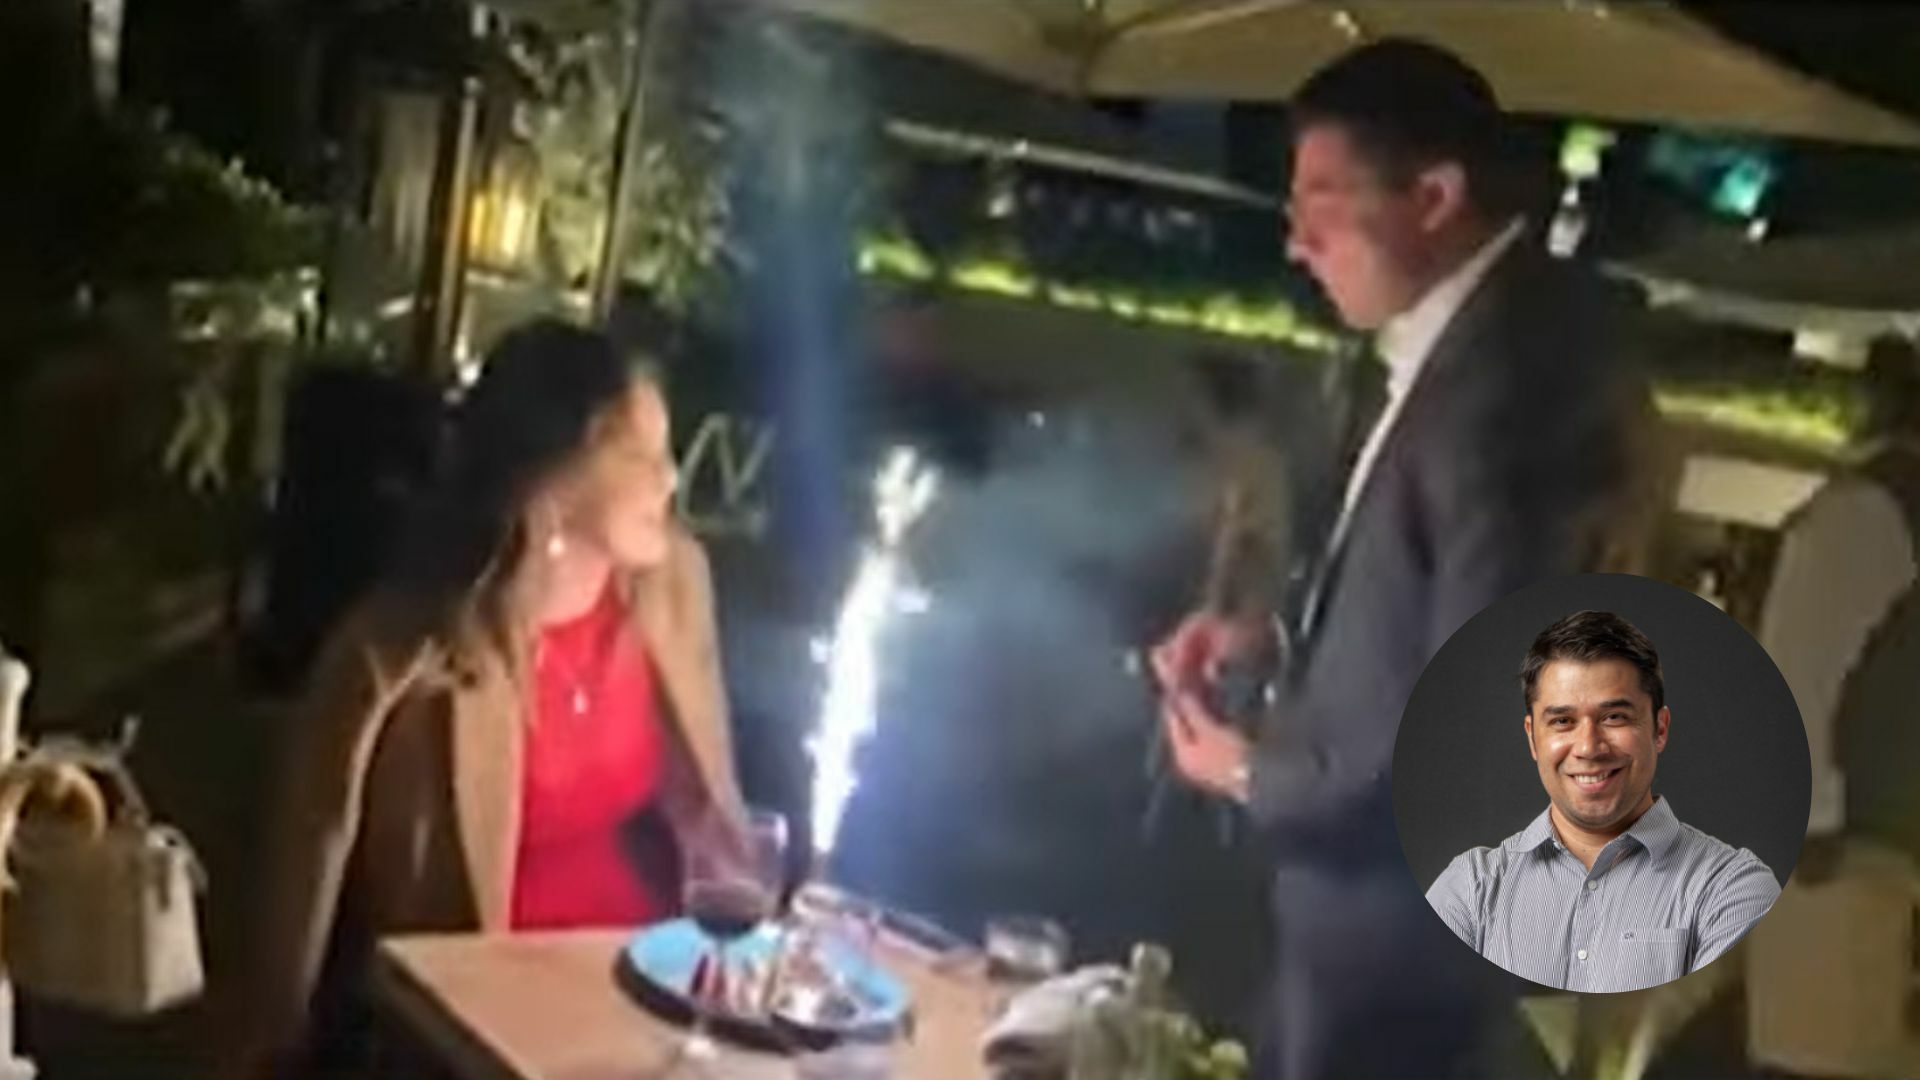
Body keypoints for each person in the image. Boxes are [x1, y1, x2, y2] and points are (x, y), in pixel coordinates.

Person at [1152, 39, 1667, 1079]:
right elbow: (1423, 602)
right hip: (1363, 929)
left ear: (1434, 196)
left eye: (1323, 200)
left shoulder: (1506, 388)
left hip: (1398, 943)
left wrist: (1251, 772)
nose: (1296, 240)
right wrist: (1273, 637)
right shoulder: (1470, 350)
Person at [227, 319, 747, 1074]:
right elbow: (310, 849)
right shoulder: (405, 649)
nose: (672, 478)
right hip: (480, 1019)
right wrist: (276, 1047)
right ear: (556, 472)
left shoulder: (672, 585)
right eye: (642, 455)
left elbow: (711, 806)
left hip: (650, 988)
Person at [1425, 610, 1779, 992]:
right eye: (1562, 721)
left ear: (1659, 729)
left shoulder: (1732, 889)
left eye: (1614, 717)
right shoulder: (1470, 890)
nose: (1589, 747)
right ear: (1532, 738)